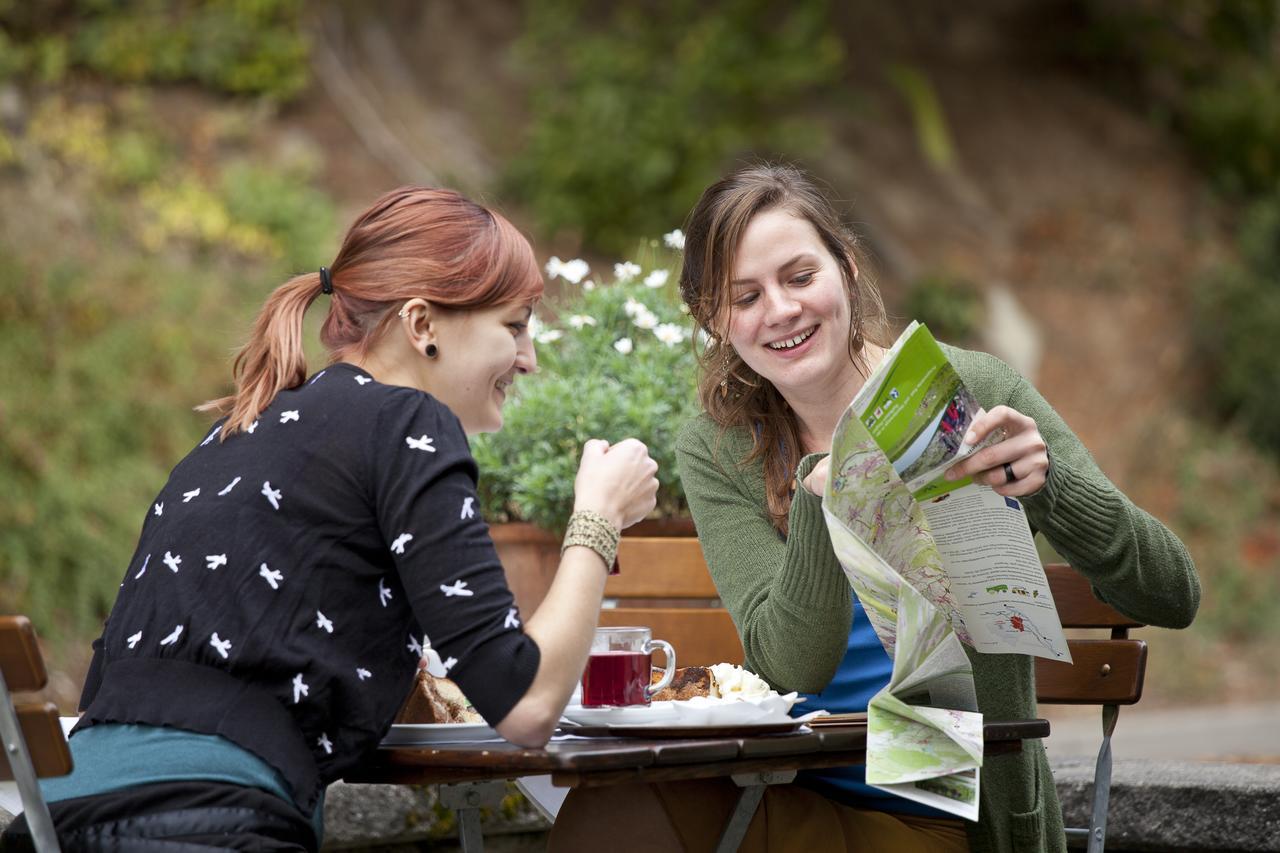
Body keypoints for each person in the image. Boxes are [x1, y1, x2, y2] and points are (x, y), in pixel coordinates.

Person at [550, 164, 1200, 853]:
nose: (780, 310)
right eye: (744, 296)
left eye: (800, 277)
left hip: (950, 813)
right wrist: (821, 494)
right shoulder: (720, 446)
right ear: (713, 319)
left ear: (848, 268)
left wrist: (1051, 488)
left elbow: (1173, 592)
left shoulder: (968, 387)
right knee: (610, 807)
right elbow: (794, 664)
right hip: (786, 787)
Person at [1, 187, 659, 852]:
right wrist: (597, 517)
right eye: (514, 326)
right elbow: (528, 705)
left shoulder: (236, 431)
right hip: (209, 825)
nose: (529, 358)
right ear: (422, 323)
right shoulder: (408, 422)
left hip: (54, 817)